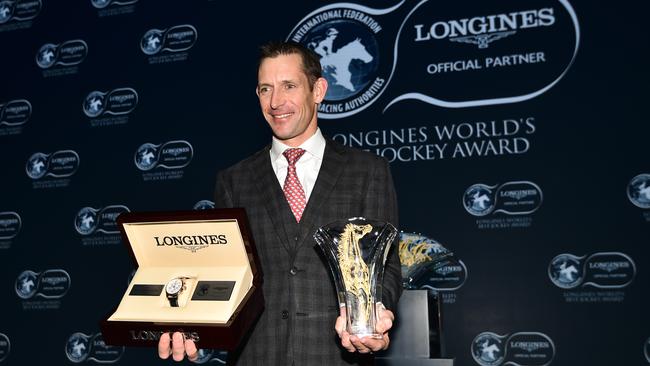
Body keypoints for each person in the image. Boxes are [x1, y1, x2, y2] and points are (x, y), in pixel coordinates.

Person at [158, 41, 402, 365]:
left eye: (289, 86)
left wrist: (375, 312)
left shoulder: (367, 171)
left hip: (335, 357)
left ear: (318, 90)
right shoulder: (233, 180)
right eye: (265, 89)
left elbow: (385, 268)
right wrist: (187, 319)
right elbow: (223, 274)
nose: (275, 102)